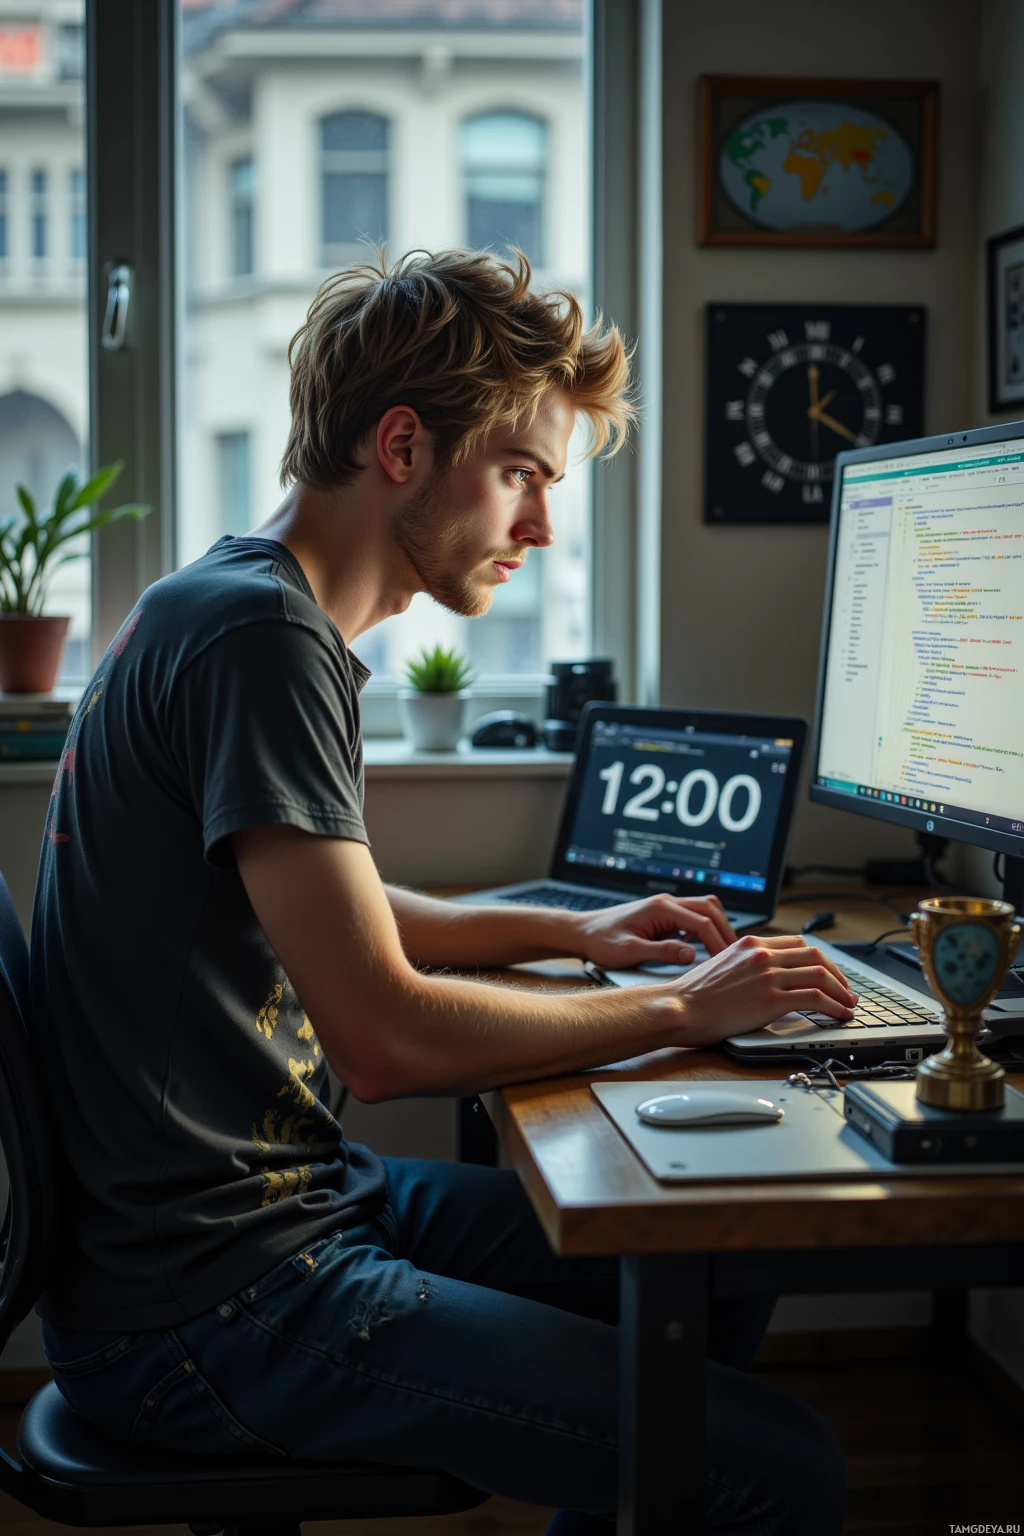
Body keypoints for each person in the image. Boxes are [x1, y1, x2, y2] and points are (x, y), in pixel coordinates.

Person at [32, 249, 851, 1533]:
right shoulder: (264, 641)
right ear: (402, 446)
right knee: (777, 1467)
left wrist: (571, 930)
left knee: (703, 1258)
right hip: (215, 1302)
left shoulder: (231, 601)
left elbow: (331, 907)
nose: (539, 526)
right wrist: (685, 1009)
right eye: (521, 473)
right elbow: (387, 1038)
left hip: (274, 1213)